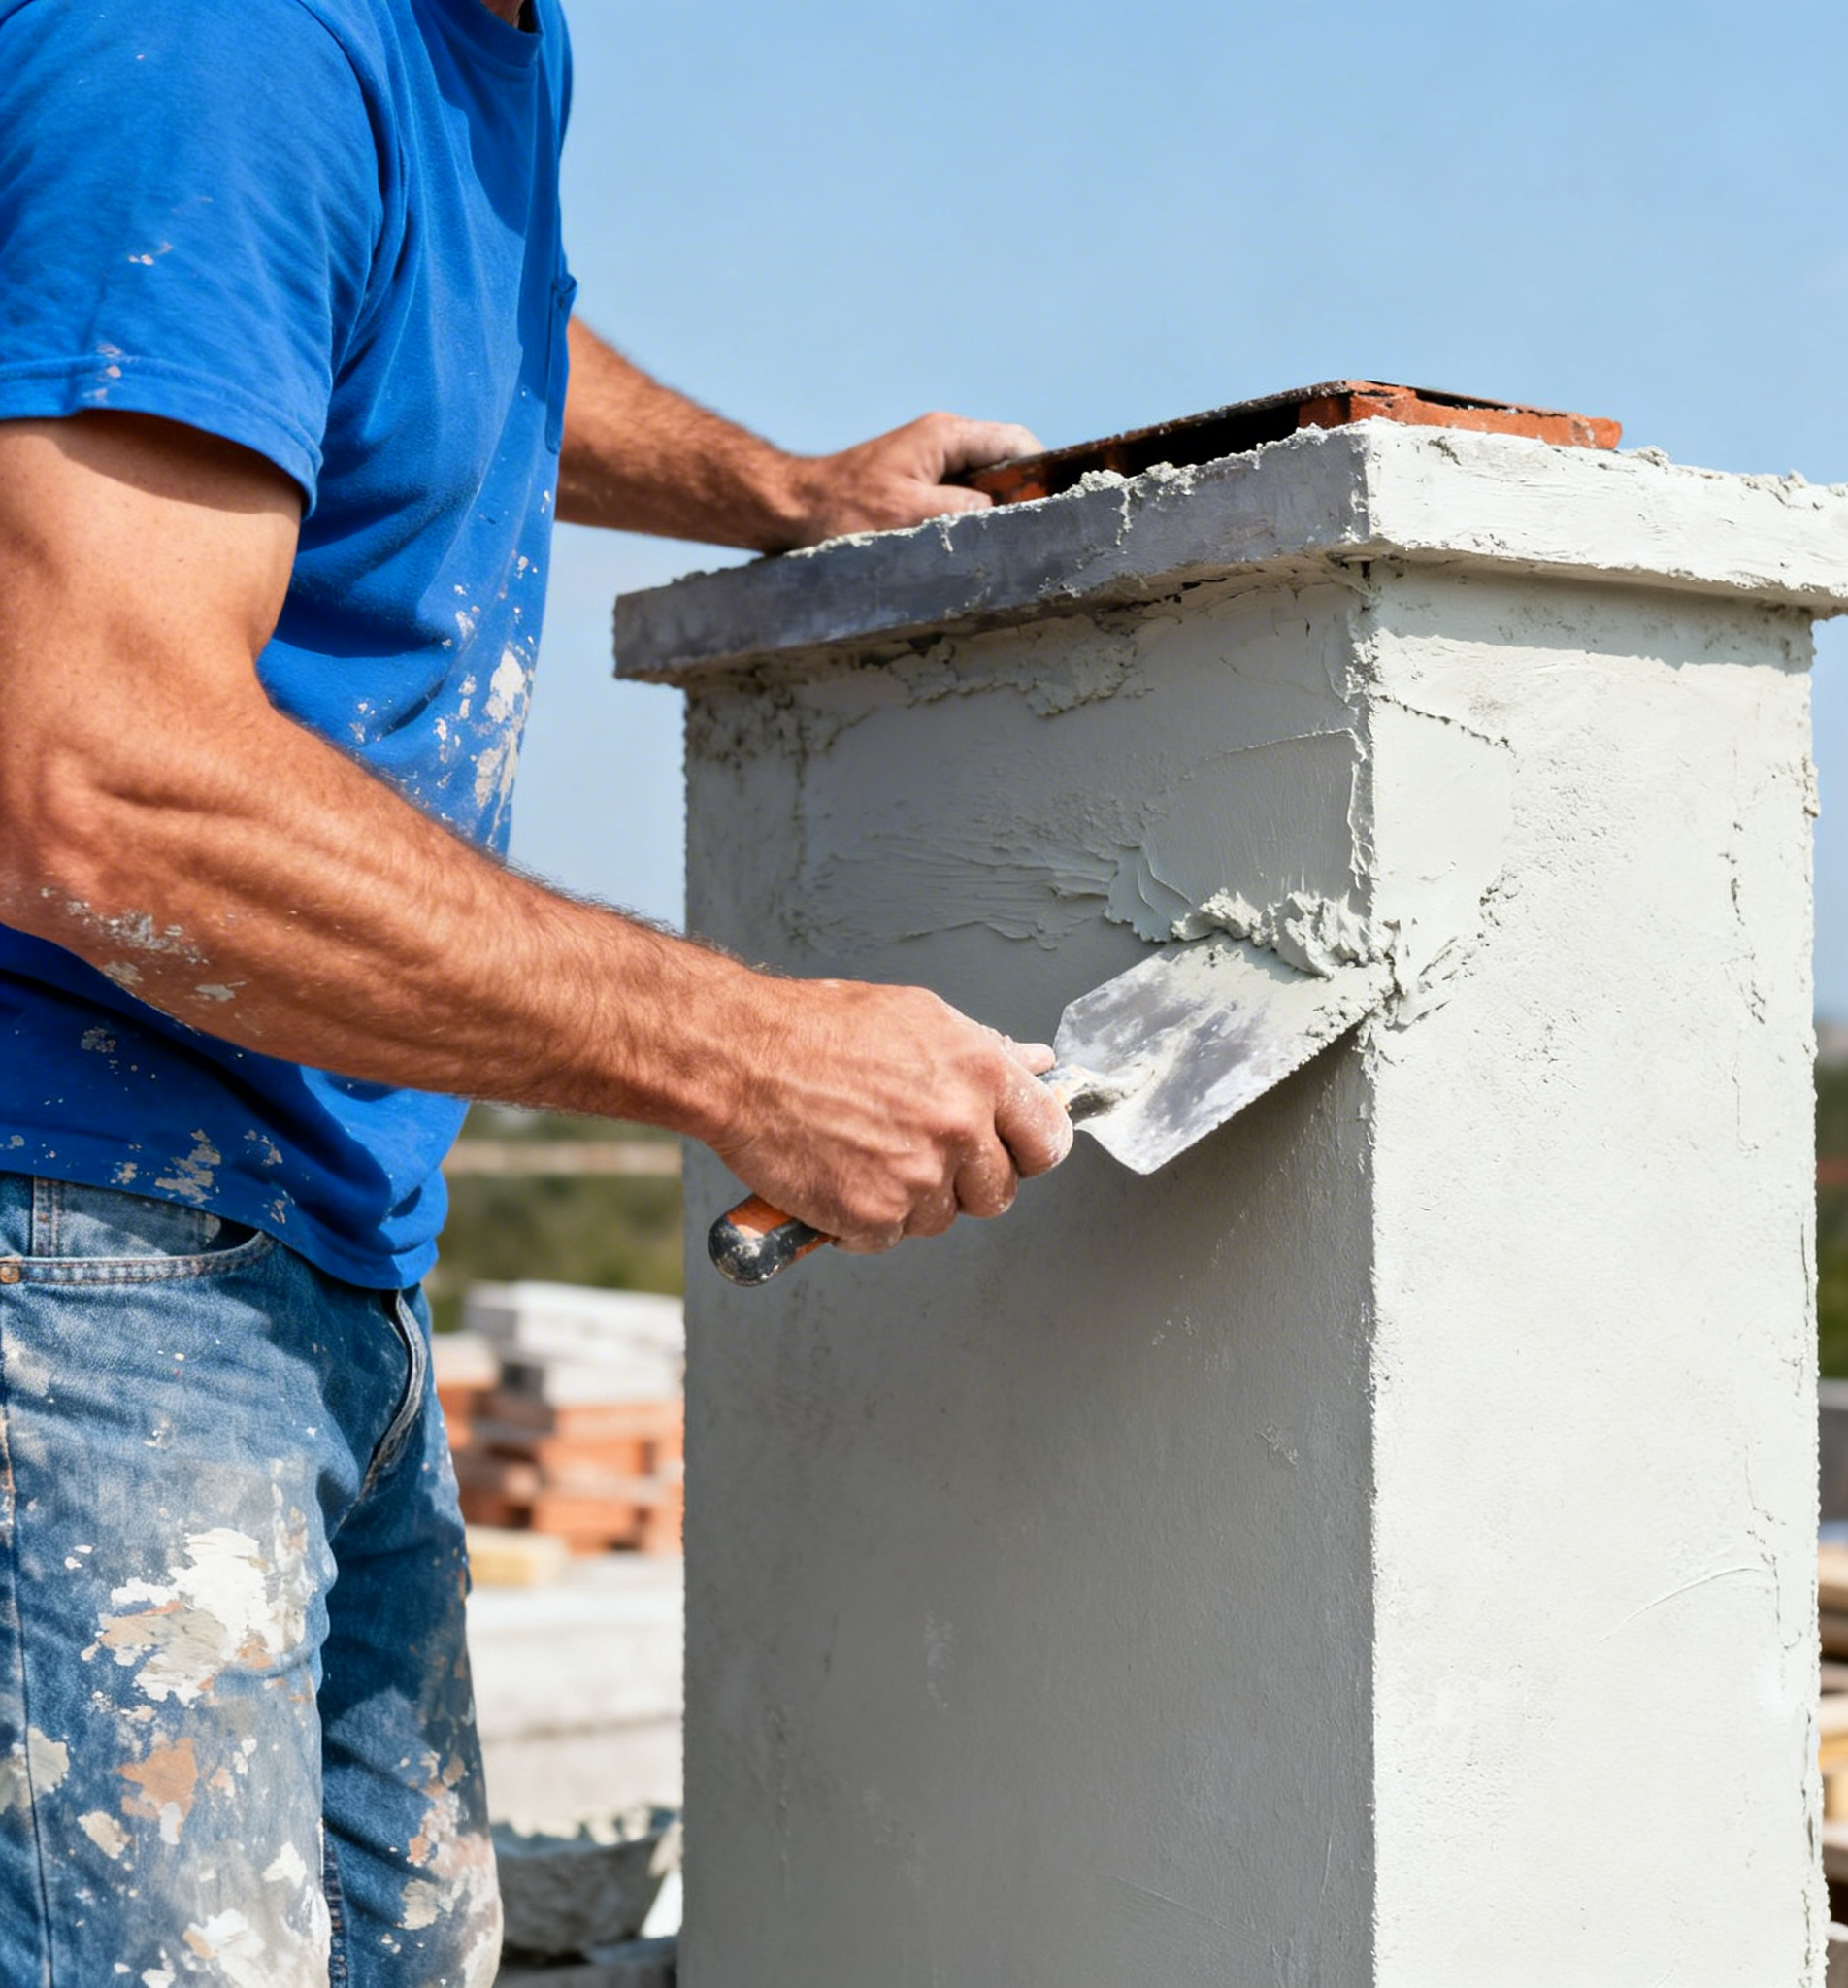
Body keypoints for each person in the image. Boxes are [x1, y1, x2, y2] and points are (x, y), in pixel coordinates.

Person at [0, 0, 1072, 1979]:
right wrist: (740, 1049)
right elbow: (95, 785)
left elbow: (443, 320)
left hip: (315, 1229)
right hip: (77, 1235)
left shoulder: (492, 46)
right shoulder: (229, 42)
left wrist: (777, 488)